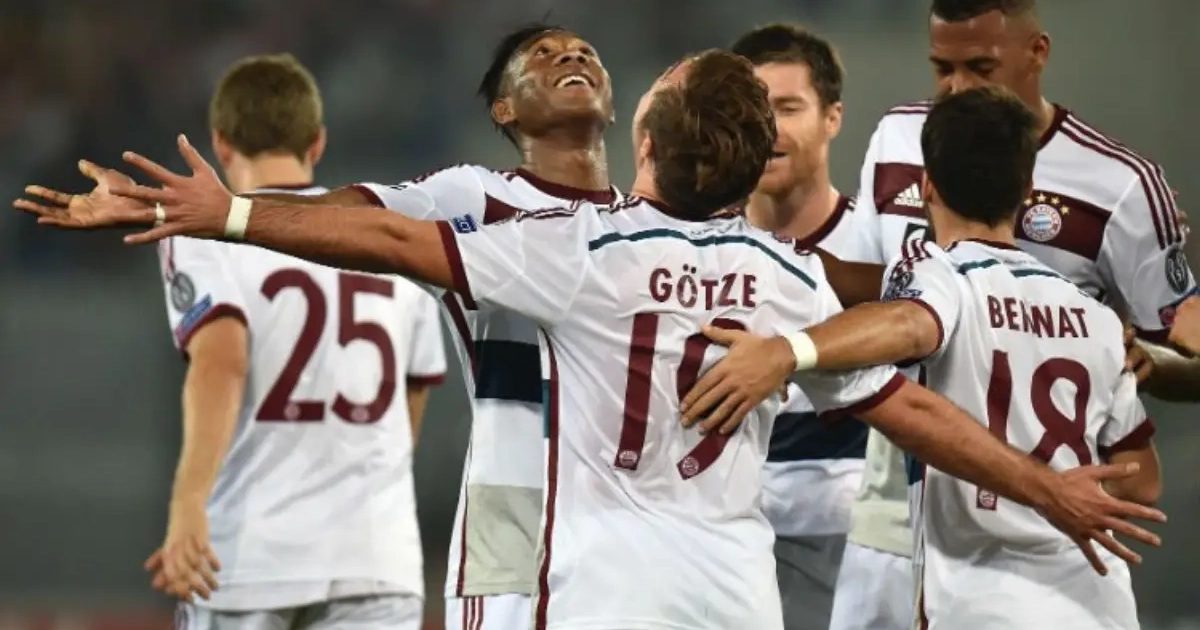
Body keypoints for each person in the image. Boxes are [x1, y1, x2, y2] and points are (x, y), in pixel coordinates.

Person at [17, 49, 1166, 630]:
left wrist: (226, 213)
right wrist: (1048, 488)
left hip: (597, 588)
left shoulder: (581, 251)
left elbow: (393, 243)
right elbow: (907, 408)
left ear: (646, 144)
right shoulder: (788, 282)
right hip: (732, 598)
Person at [19, 24, 619, 630]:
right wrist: (199, 213)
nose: (571, 55)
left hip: (629, 510)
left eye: (584, 51)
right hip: (475, 524)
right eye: (543, 54)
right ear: (504, 108)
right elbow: (355, 233)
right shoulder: (461, 204)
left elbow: (223, 359)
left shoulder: (650, 224)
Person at [681, 85, 1162, 629]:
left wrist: (789, 350)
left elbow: (910, 324)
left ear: (926, 185)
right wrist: (1063, 488)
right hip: (1097, 604)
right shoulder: (1097, 320)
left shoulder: (940, 276)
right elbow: (1141, 481)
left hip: (981, 602)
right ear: (1027, 190)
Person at [836, 1, 1196, 625]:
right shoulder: (899, 135)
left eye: (979, 67)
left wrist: (1154, 365)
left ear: (1037, 53)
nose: (957, 88)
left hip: (1038, 523)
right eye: (941, 68)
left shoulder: (1122, 184)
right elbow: (870, 287)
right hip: (895, 505)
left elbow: (1184, 345)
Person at [163, 54, 448, 629]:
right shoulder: (391, 238)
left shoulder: (202, 230)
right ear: (317, 143)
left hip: (247, 558)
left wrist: (188, 502)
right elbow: (410, 406)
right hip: (376, 560)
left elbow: (221, 361)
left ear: (220, 144)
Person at [729, 23, 875, 630]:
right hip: (724, 540)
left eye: (788, 108)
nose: (769, 129)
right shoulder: (697, 251)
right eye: (753, 110)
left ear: (833, 117)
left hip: (854, 544)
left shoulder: (883, 248)